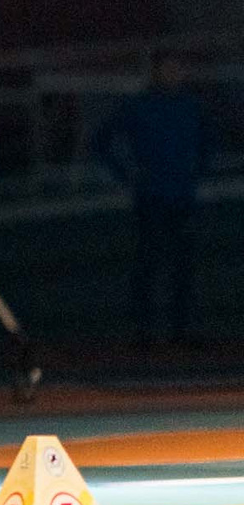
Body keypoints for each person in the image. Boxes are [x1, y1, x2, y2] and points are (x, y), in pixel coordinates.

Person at [92, 51, 210, 353]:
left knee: (183, 267)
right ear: (155, 72)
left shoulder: (191, 106)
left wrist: (196, 172)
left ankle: (181, 331)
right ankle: (144, 332)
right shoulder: (139, 106)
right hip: (151, 198)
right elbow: (101, 141)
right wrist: (126, 174)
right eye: (166, 69)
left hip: (182, 198)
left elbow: (208, 142)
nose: (173, 74)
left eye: (177, 68)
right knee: (148, 265)